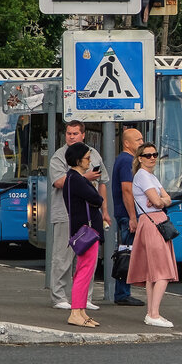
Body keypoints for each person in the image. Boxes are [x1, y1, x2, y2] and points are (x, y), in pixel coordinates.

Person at [48, 121, 109, 310]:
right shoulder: (59, 157)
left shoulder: (94, 154)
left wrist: (105, 211)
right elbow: (60, 182)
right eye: (68, 133)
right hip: (65, 212)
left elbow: (103, 182)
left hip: (89, 214)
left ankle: (85, 297)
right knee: (62, 257)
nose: (71, 136)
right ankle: (59, 297)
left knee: (86, 257)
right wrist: (85, 178)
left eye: (75, 133)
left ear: (83, 134)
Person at [126, 143, 179, 328]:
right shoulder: (143, 176)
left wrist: (161, 201)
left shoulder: (150, 176)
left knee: (152, 272)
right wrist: (160, 201)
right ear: (140, 158)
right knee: (164, 271)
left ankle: (151, 312)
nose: (152, 158)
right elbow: (159, 201)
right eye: (148, 155)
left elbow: (167, 199)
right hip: (153, 223)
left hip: (153, 223)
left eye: (155, 154)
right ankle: (154, 313)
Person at [63, 142, 105, 328]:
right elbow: (97, 199)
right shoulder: (77, 179)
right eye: (87, 158)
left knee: (83, 271)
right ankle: (75, 312)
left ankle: (81, 311)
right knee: (84, 272)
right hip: (86, 232)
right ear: (78, 160)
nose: (89, 161)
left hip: (81, 231)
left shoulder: (71, 178)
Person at [111, 127, 144, 306]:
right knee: (126, 254)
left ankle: (123, 292)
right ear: (127, 143)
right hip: (126, 215)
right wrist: (133, 216)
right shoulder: (126, 160)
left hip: (125, 213)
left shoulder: (126, 159)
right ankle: (122, 294)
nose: (141, 142)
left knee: (127, 252)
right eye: (138, 140)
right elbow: (127, 189)